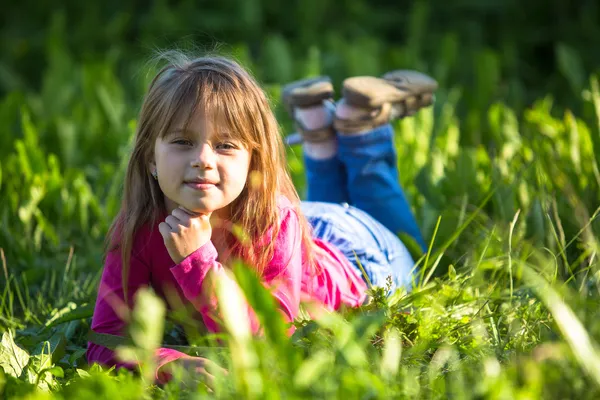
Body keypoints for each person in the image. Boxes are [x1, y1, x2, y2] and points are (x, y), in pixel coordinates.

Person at [86, 51, 437, 384]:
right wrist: (169, 365)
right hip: (309, 230)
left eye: (225, 146)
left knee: (414, 252)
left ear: (252, 160)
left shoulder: (274, 220)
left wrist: (196, 261)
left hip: (363, 260)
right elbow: (104, 341)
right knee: (323, 211)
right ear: (150, 157)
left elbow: (266, 343)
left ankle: (364, 135)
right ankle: (321, 129)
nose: (203, 159)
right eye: (182, 141)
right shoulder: (139, 226)